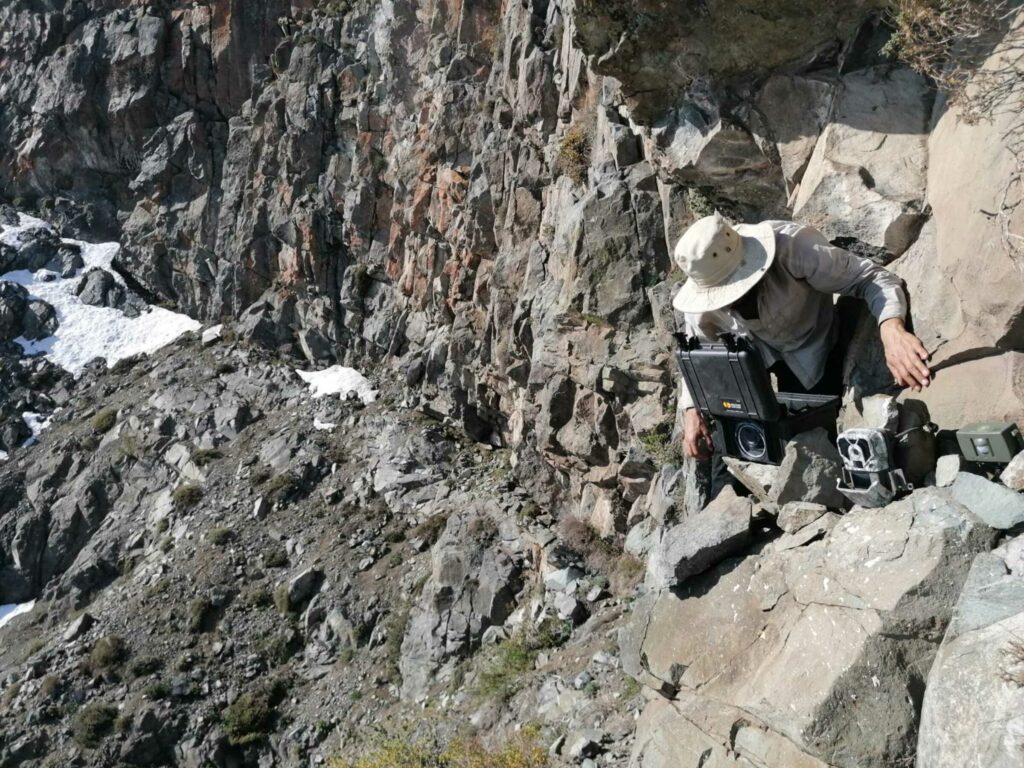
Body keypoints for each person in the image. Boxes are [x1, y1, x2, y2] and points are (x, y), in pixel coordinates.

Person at [673, 213, 931, 499]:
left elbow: (870, 277)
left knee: (812, 446)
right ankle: (724, 516)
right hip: (748, 362)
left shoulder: (793, 246)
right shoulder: (701, 303)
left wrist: (891, 329)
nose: (732, 302)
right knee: (730, 439)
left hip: (815, 349)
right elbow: (699, 357)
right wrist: (691, 411)